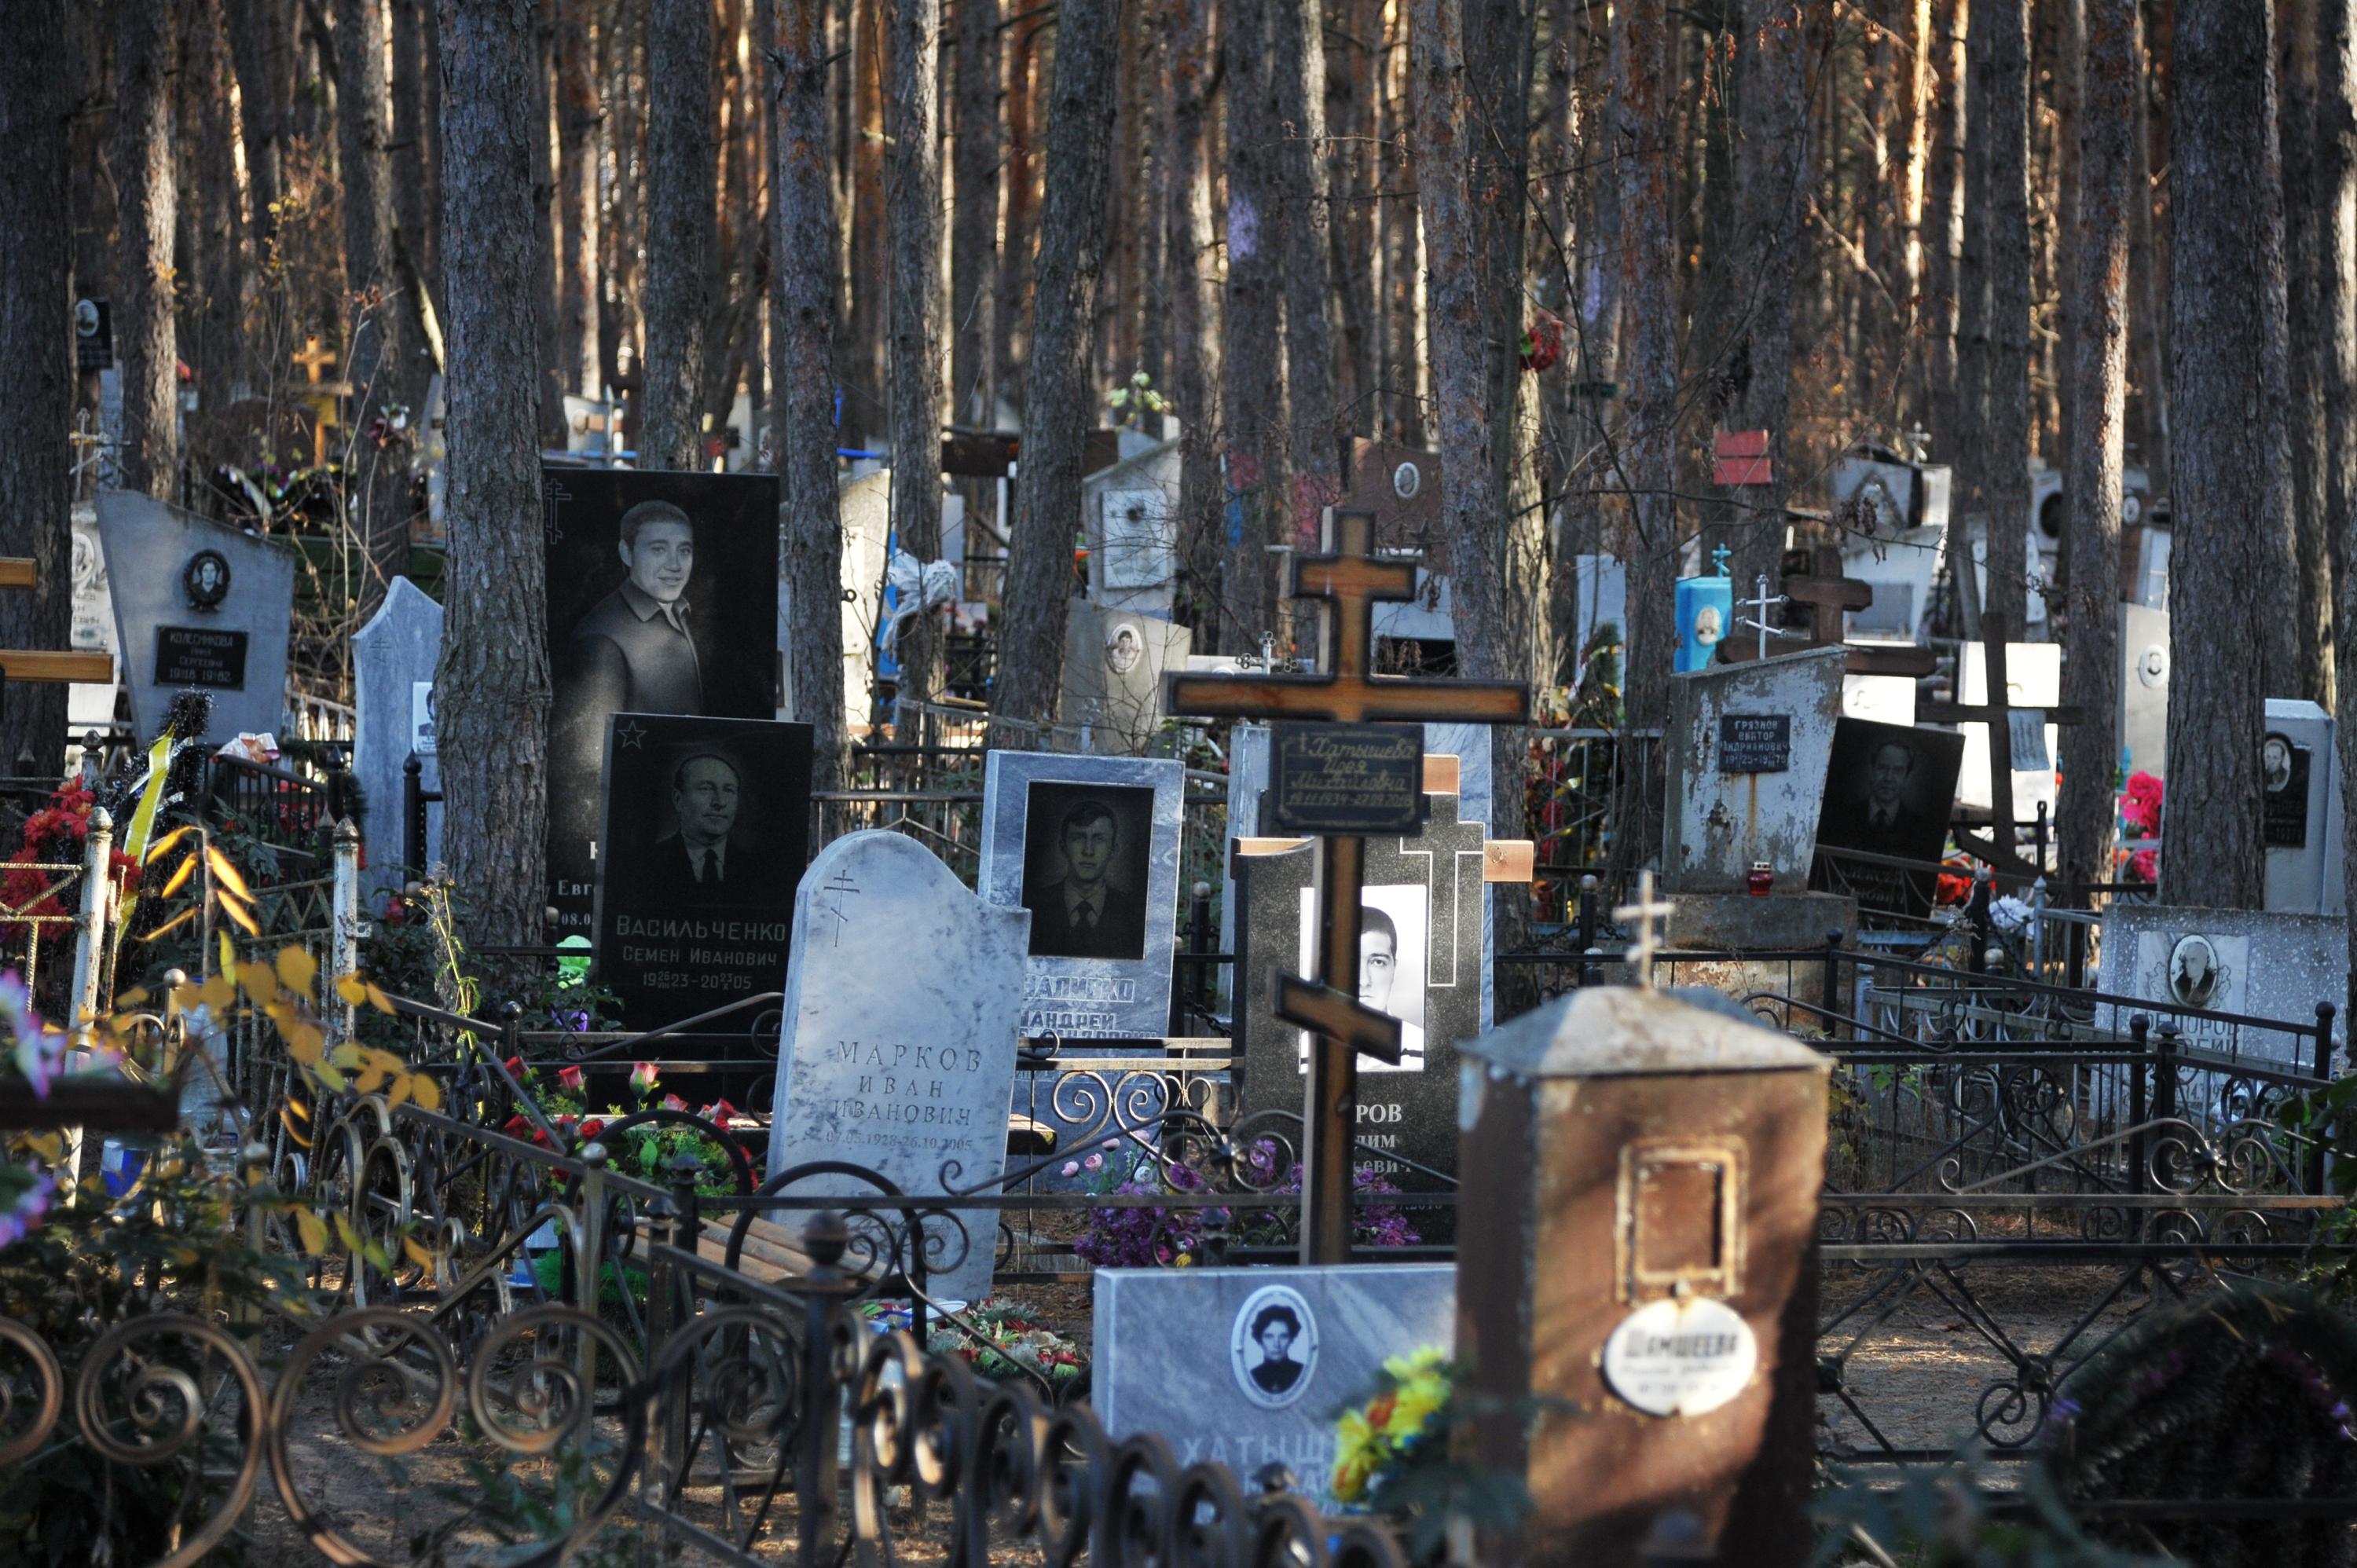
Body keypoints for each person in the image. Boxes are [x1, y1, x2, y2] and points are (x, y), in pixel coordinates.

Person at [550, 500, 709, 875]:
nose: (674, 565)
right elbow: (588, 767)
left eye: (683, 551)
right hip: (638, 839)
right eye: (658, 549)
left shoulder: (674, 614)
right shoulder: (603, 639)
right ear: (626, 552)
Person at [1024, 798, 1147, 959]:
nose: (1088, 851)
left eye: (1099, 839)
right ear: (1063, 847)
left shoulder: (1134, 914)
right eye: (1079, 838)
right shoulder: (1033, 907)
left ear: (1113, 850)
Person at [648, 752, 769, 903]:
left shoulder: (758, 871)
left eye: (728, 790)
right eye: (706, 789)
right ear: (678, 799)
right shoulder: (647, 865)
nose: (719, 802)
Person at [1358, 905, 1426, 1065]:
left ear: (1393, 968)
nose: (1363, 981)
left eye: (1378, 962)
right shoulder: (1304, 1052)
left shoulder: (1423, 1048)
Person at [1248, 1303, 1306, 1394]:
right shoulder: (1252, 1376)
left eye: (1283, 1336)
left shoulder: (1302, 1372)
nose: (1276, 1344)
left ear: (1291, 1339)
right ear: (1260, 1339)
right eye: (1269, 1336)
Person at [2168, 935, 2225, 1009]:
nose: (2187, 965)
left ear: (2204, 962)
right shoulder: (2180, 982)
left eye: (2193, 961)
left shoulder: (2209, 981)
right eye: (2186, 960)